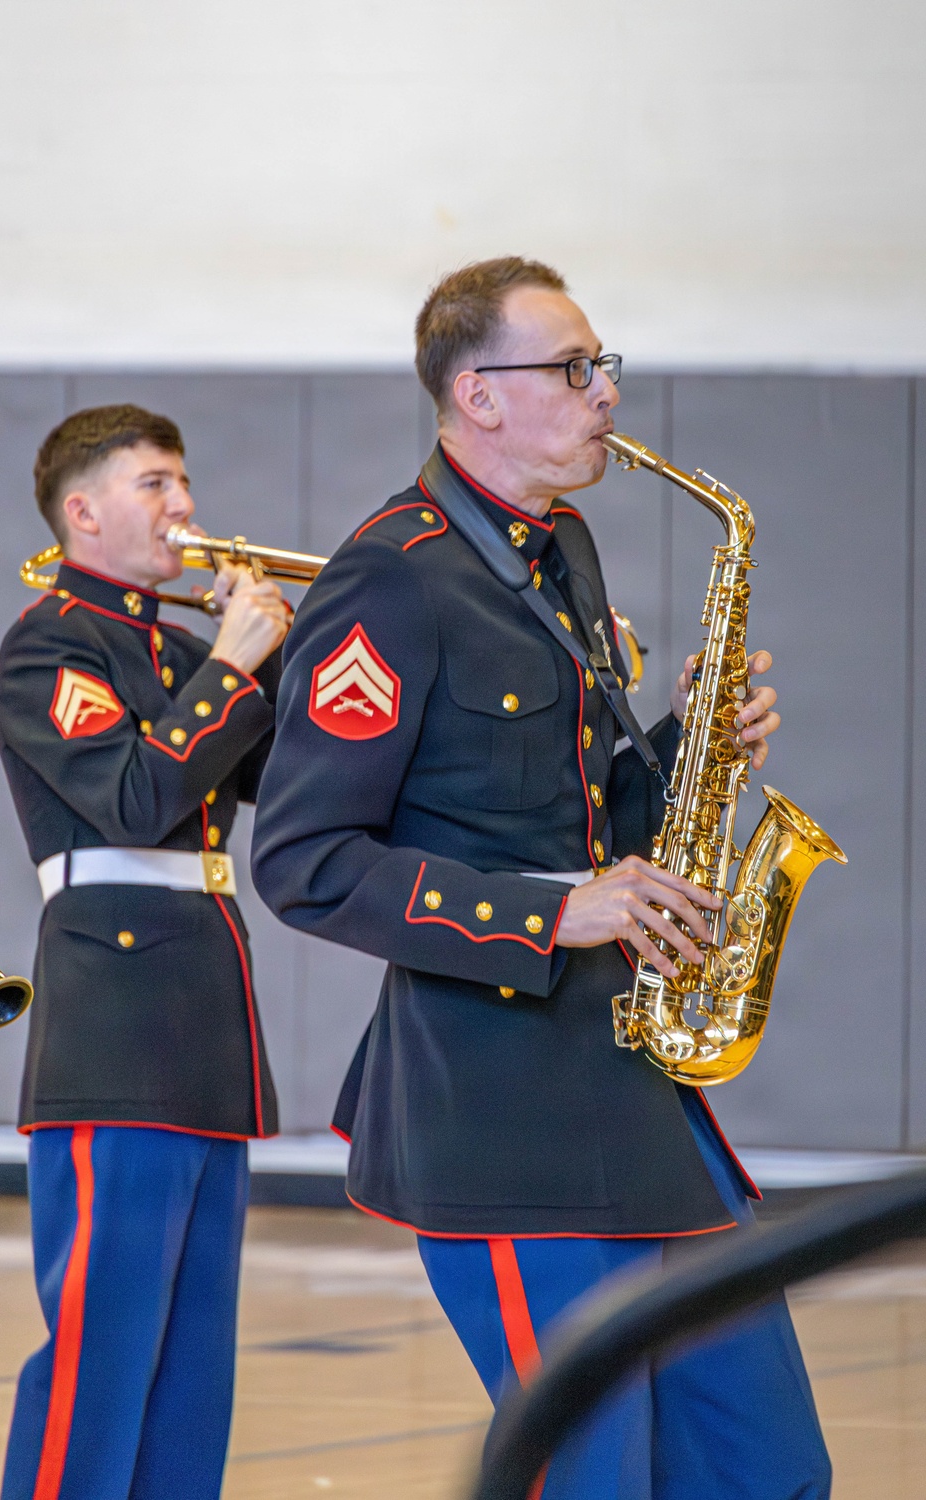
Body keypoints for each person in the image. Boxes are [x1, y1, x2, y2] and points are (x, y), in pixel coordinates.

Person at [251, 258, 831, 1498]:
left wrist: (687, 749)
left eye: (600, 363)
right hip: (497, 1110)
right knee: (590, 1476)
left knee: (767, 1465)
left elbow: (575, 806)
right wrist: (556, 911)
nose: (603, 392)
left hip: (629, 1085)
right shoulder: (391, 577)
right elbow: (302, 863)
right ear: (479, 395)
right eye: (571, 369)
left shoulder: (558, 547)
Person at [0, 405, 290, 1500]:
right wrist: (232, 665)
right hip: (113, 1028)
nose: (186, 507)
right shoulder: (51, 643)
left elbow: (304, 776)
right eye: (156, 484)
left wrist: (286, 648)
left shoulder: (176, 646)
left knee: (190, 1371)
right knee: (100, 1354)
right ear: (84, 511)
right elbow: (133, 800)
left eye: (183, 481)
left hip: (203, 1026)